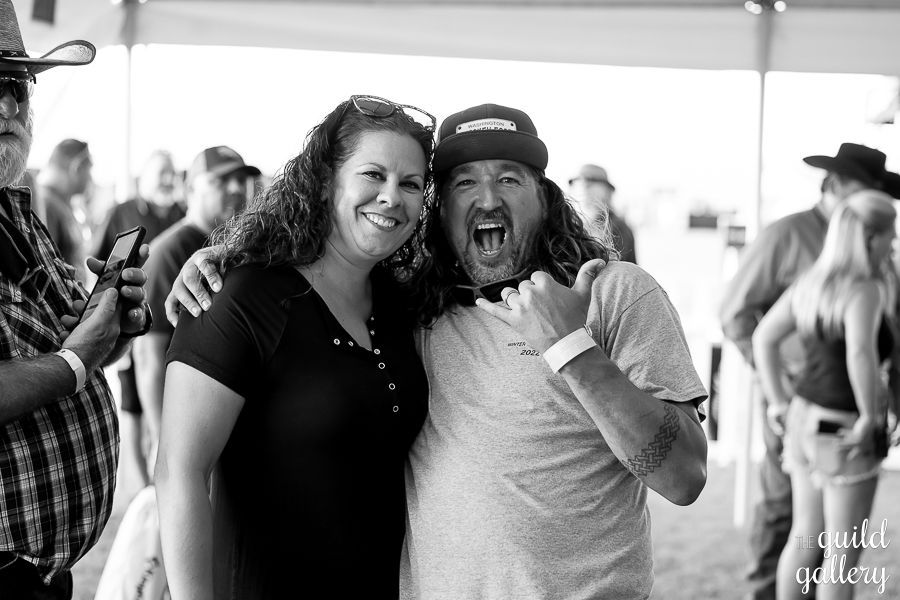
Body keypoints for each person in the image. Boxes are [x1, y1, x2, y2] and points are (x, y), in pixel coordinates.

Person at [167, 103, 708, 598]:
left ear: (544, 197)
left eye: (510, 178)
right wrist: (230, 260)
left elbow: (683, 478)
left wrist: (571, 347)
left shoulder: (615, 292)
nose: (488, 198)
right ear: (441, 207)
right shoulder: (419, 306)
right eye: (464, 181)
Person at [154, 96, 434, 599]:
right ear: (326, 181)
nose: (392, 197)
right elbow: (179, 472)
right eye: (373, 175)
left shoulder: (403, 304)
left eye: (410, 184)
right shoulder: (242, 296)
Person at [0, 2, 151, 597]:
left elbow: (75, 355)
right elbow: (69, 364)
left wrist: (108, 331)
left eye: (17, 85)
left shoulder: (15, 207)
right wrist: (75, 360)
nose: (10, 106)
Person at [719, 142, 900, 600]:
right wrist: (780, 387)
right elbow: (741, 319)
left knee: (804, 536)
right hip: (828, 412)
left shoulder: (826, 276)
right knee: (827, 544)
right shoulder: (793, 240)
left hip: (804, 411)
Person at [133, 145, 257, 479]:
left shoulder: (236, 248)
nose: (234, 189)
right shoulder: (171, 252)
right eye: (220, 181)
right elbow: (148, 357)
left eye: (240, 179)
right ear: (190, 187)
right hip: (185, 438)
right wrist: (164, 441)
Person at [93, 149, 186, 489]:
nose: (166, 179)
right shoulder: (123, 211)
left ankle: (158, 470)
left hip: (169, 321)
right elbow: (101, 259)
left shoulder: (181, 212)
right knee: (132, 403)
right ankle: (141, 482)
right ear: (143, 176)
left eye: (170, 172)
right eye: (160, 172)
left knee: (166, 401)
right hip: (128, 320)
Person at [38, 138, 93, 279]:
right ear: (77, 167)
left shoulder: (62, 204)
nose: (91, 178)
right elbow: (45, 268)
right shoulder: (46, 204)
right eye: (89, 169)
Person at [569, 163, 637, 263]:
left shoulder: (617, 227)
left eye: (591, 184)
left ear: (607, 191)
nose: (584, 189)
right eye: (579, 184)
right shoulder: (571, 224)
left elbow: (612, 269)